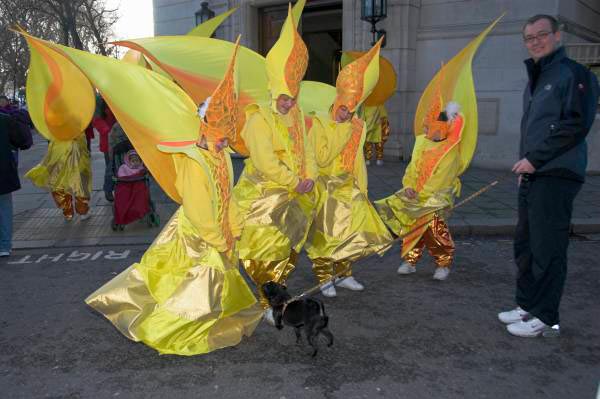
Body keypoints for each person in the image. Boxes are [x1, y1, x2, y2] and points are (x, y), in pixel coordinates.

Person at [86, 41, 263, 355]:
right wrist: (219, 238)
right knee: (195, 285)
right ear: (206, 128)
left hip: (217, 232)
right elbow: (197, 209)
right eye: (220, 136)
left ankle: (206, 323)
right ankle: (173, 329)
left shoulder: (220, 157)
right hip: (198, 235)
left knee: (211, 285)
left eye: (228, 137)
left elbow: (228, 197)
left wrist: (234, 227)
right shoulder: (195, 161)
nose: (225, 143)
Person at [498, 14, 600, 338]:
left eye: (542, 34)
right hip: (534, 173)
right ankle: (527, 304)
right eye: (529, 38)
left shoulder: (574, 73)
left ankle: (545, 316)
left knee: (548, 247)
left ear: (557, 35)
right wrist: (525, 164)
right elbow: (534, 130)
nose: (536, 41)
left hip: (556, 172)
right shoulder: (539, 77)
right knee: (526, 244)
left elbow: (575, 124)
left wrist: (534, 159)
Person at [233, 4, 317, 319]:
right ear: (274, 92)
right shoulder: (258, 119)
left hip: (293, 192)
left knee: (285, 249)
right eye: (284, 97)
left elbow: (306, 149)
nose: (289, 102)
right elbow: (267, 163)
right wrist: (297, 181)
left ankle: (275, 297)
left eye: (293, 97)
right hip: (261, 195)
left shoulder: (296, 115)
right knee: (259, 249)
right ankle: (269, 300)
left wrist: (310, 176)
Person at [304, 38, 393, 297]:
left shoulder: (359, 125)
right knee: (324, 235)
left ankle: (344, 274)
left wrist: (361, 187)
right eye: (344, 108)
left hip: (349, 187)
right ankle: (324, 278)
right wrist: (341, 130)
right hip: (325, 187)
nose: (348, 113)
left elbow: (356, 158)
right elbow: (320, 158)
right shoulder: (319, 124)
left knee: (350, 233)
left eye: (353, 109)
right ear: (337, 101)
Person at [26, 133, 92, 221]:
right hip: (77, 156)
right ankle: (82, 211)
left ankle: (67, 212)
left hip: (58, 153)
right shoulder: (78, 125)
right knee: (80, 184)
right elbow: (83, 145)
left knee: (59, 184)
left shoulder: (54, 126)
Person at [0, 113, 32, 257]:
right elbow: (22, 140)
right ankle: (4, 246)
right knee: (4, 207)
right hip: (3, 171)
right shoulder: (5, 119)